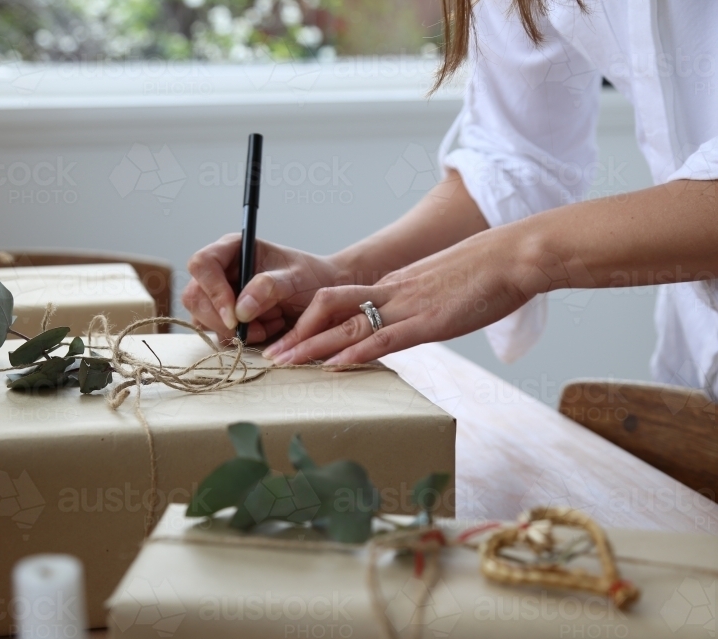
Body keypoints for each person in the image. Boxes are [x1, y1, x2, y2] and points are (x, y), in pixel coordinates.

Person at [181, 0, 718, 398]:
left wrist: (516, 258)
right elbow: (518, 158)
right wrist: (343, 274)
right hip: (697, 364)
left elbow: (518, 233)